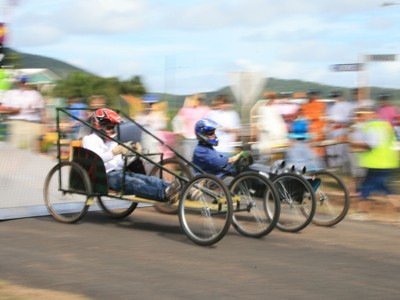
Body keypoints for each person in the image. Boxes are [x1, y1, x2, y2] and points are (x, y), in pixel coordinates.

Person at [81, 108, 181, 203]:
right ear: (98, 125)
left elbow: (119, 162)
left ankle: (180, 189)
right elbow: (95, 160)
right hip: (105, 176)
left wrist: (132, 153)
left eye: (114, 127)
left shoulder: (112, 142)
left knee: (148, 179)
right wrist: (114, 152)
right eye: (110, 127)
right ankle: (164, 193)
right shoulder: (89, 140)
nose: (113, 130)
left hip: (121, 171)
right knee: (135, 183)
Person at [348, 107, 400, 213]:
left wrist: (352, 143)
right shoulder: (386, 125)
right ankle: (362, 211)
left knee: (369, 185)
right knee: (376, 185)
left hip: (377, 163)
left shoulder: (370, 126)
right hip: (387, 162)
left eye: (361, 115)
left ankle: (362, 211)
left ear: (370, 114)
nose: (359, 117)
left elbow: (372, 144)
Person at [2, 75, 45, 151]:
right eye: (21, 82)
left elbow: (42, 111)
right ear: (17, 83)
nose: (23, 84)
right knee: (15, 148)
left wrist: (43, 127)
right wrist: (13, 110)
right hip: (16, 122)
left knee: (31, 150)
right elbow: (3, 107)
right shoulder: (10, 93)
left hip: (32, 123)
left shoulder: (35, 94)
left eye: (25, 82)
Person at [172, 93, 210, 161]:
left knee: (199, 160)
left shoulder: (205, 109)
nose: (199, 101)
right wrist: (180, 132)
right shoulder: (185, 109)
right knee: (188, 160)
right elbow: (176, 121)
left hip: (200, 139)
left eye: (201, 100)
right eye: (197, 100)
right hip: (188, 138)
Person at [325, 90, 356, 169]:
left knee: (340, 149)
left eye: (336, 96)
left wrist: (337, 121)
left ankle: (341, 166)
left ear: (341, 97)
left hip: (341, 128)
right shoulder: (330, 106)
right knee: (331, 149)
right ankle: (333, 166)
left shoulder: (347, 105)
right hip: (331, 129)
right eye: (333, 97)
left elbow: (349, 119)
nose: (334, 98)